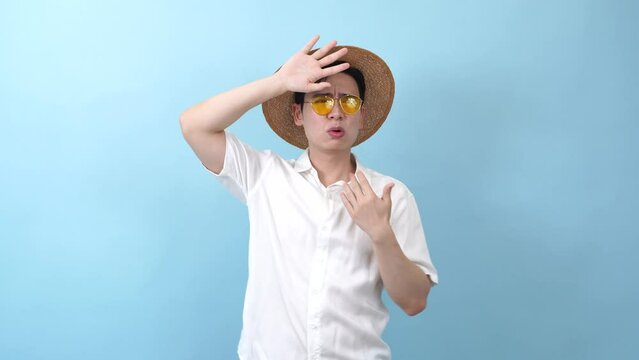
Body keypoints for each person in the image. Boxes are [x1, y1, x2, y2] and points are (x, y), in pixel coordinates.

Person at [179, 35, 438, 360]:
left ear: (361, 114)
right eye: (320, 101)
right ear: (298, 114)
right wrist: (278, 82)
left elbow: (414, 302)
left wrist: (381, 234)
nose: (336, 113)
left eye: (349, 102)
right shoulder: (266, 176)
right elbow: (193, 125)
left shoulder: (390, 195)